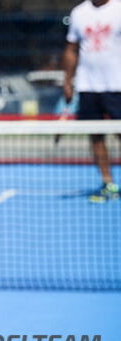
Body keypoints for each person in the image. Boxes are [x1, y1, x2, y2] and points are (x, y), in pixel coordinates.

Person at [64, 0, 121, 203]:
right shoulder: (79, 12)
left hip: (117, 86)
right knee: (96, 137)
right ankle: (108, 183)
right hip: (88, 87)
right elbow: (72, 49)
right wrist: (68, 82)